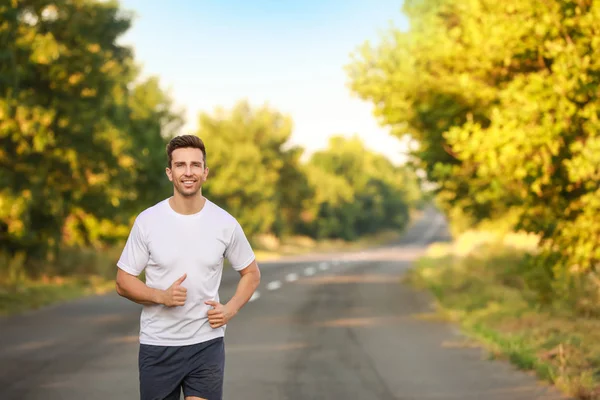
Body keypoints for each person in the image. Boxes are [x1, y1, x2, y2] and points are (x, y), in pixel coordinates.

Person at [115, 134, 261, 400]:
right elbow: (123, 280)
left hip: (206, 344)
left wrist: (230, 308)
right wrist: (160, 296)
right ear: (170, 173)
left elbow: (251, 273)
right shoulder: (148, 221)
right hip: (158, 346)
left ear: (205, 172)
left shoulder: (224, 222)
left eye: (195, 165)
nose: (188, 172)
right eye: (181, 165)